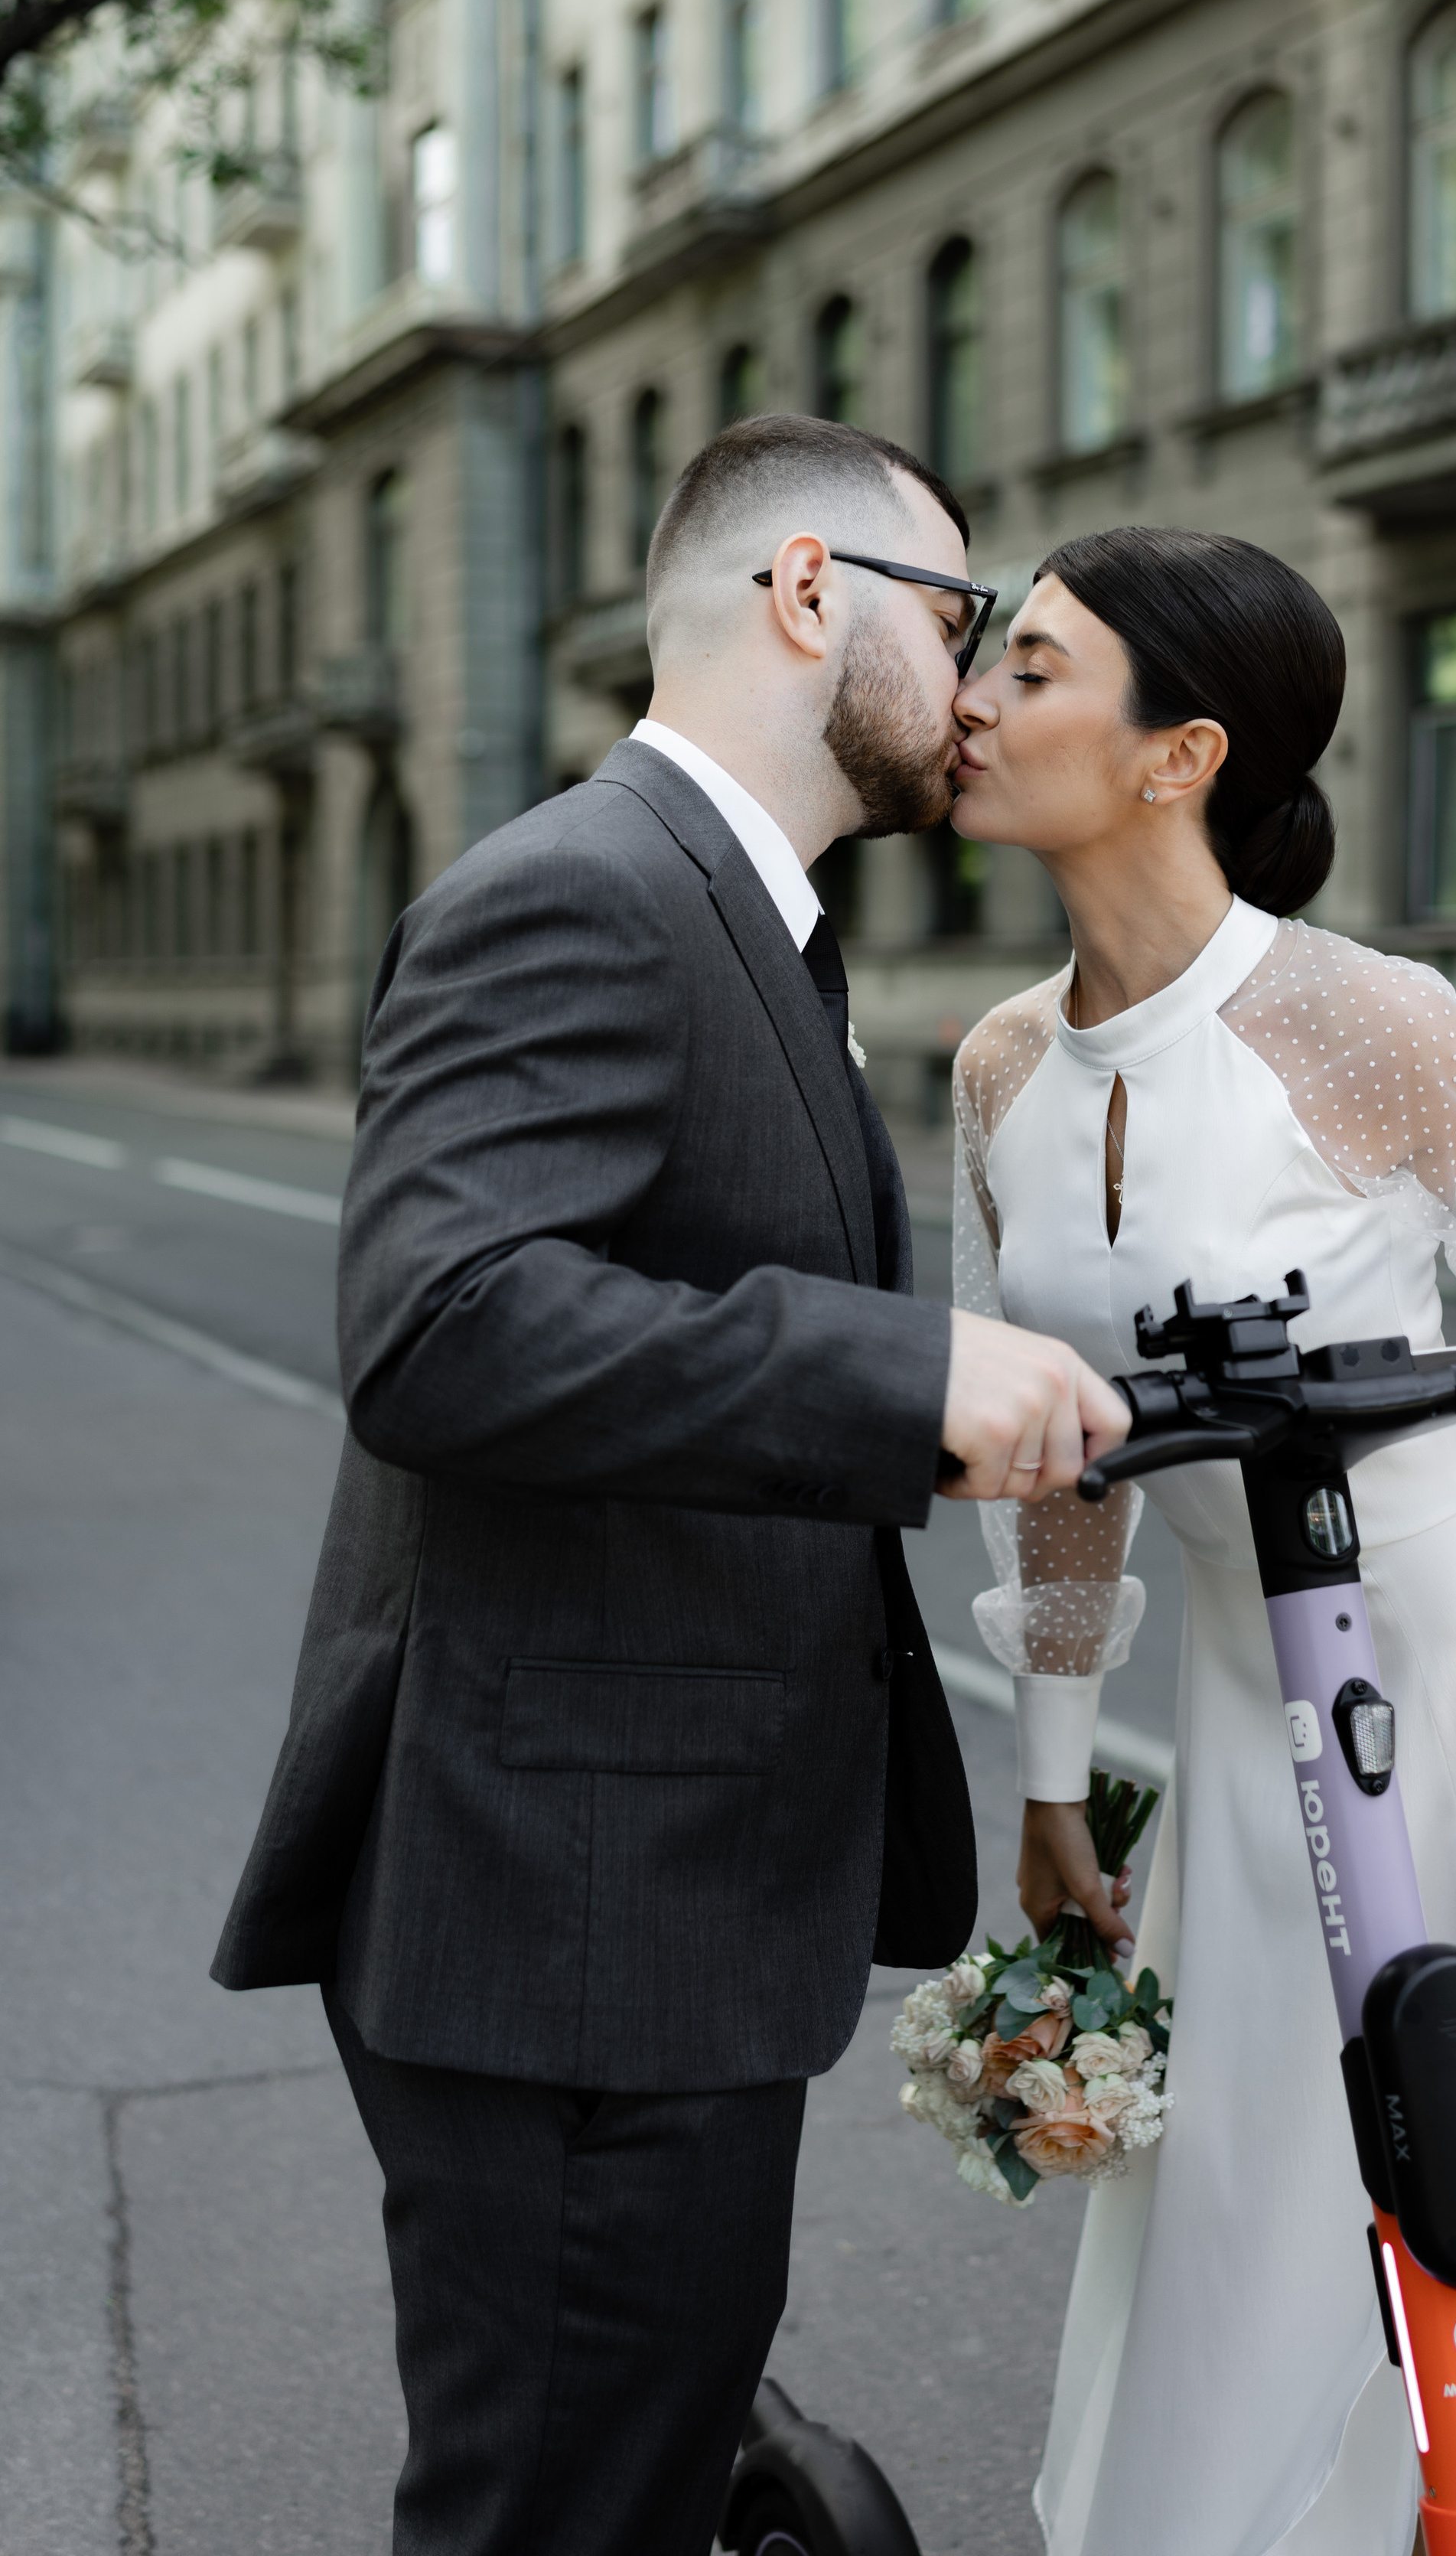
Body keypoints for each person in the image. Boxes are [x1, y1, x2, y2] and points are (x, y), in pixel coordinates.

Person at [212, 415, 1129, 2556]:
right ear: (811, 596)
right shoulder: (584, 890)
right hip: (567, 1937)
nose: (981, 675)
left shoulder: (741, 916)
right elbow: (442, 1330)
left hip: (650, 1910)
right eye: (960, 614)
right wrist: (907, 1367)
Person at [946, 527, 1456, 2556]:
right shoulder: (1002, 1066)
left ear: (1174, 754)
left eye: (1033, 670)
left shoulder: (1359, 1017)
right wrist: (1051, 1789)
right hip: (1246, 1734)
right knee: (1239, 2261)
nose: (974, 701)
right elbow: (1053, 1462)